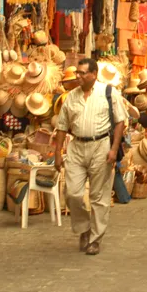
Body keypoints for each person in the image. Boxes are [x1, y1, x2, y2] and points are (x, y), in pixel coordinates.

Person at [54, 58, 128, 256]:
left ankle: (95, 239)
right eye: (77, 72)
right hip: (76, 147)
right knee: (72, 193)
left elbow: (120, 122)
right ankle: (83, 228)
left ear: (93, 75)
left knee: (99, 197)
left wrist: (113, 149)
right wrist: (57, 153)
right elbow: (62, 125)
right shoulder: (70, 97)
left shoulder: (109, 93)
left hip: (100, 147)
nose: (77, 76)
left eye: (82, 73)